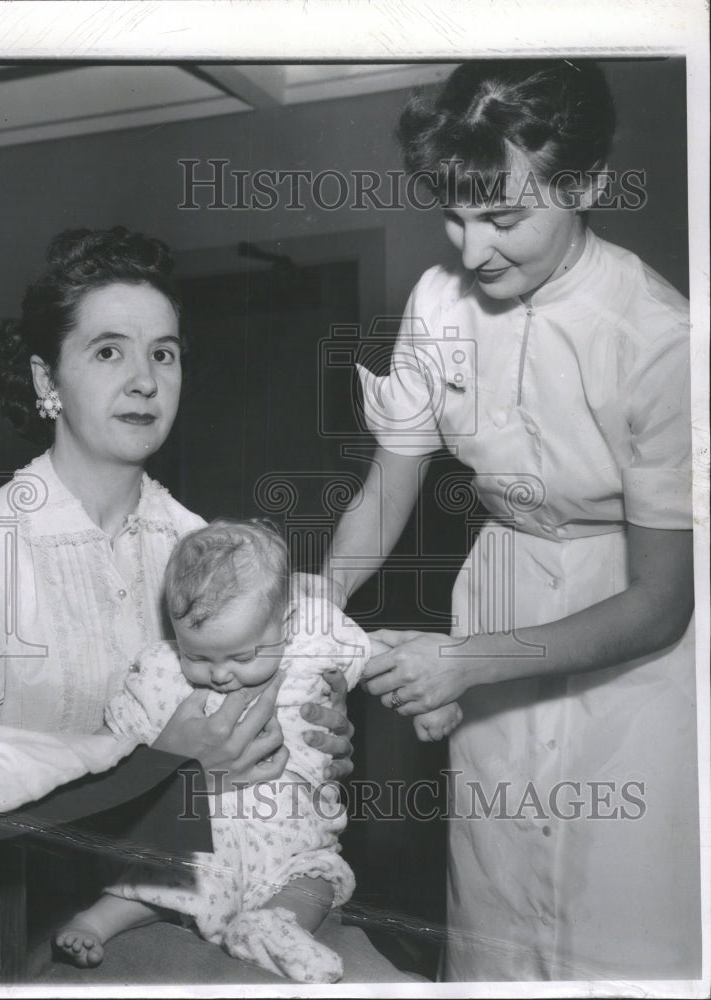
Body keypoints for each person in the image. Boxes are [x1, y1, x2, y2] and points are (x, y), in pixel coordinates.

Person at [0, 228, 416, 984]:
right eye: (108, 351)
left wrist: (313, 734)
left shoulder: (205, 552)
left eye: (163, 352)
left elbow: (302, 707)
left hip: (242, 887)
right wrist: (167, 766)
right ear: (44, 378)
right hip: (41, 918)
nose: (144, 380)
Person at [322, 60, 699, 981]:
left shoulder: (657, 339)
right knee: (493, 900)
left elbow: (661, 604)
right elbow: (388, 486)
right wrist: (315, 605)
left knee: (622, 903)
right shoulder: (435, 304)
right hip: (496, 584)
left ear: (586, 187)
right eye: (453, 212)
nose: (471, 247)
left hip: (628, 619)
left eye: (503, 217)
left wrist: (463, 663)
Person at [56, 519, 447, 982]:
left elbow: (385, 661)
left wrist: (429, 706)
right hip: (204, 832)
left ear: (286, 622)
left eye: (241, 657)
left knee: (320, 878)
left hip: (292, 835)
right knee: (156, 879)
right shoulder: (159, 670)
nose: (220, 674)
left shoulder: (313, 640)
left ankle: (271, 928)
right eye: (198, 657)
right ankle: (98, 920)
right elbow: (111, 746)